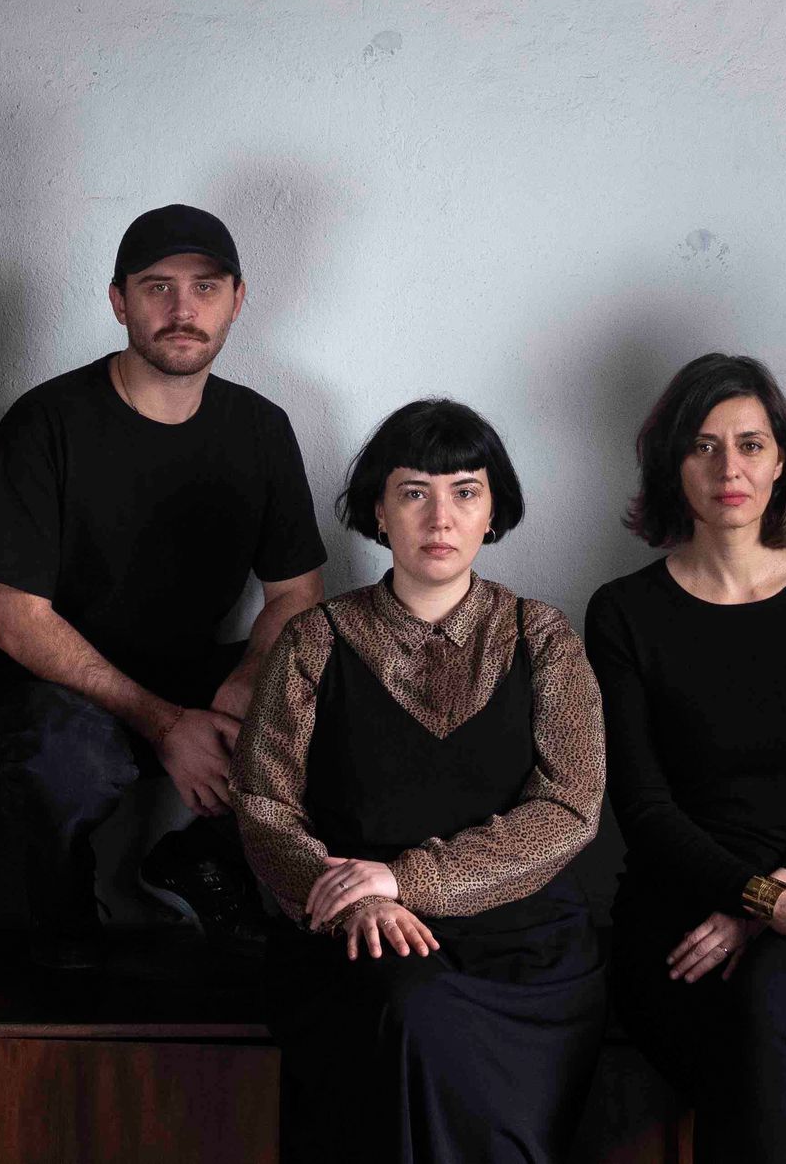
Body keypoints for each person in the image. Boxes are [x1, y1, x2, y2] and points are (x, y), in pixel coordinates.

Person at [231, 398, 607, 1164]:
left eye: (465, 491)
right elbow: (265, 804)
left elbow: (570, 805)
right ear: (379, 509)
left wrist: (406, 880)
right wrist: (355, 899)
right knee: (409, 1006)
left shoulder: (541, 636)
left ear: (492, 510)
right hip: (357, 934)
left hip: (523, 946)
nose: (441, 517)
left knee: (441, 1030)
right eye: (414, 492)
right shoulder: (313, 640)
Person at [0, 203, 326, 969]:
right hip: (62, 683)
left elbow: (296, 593)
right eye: (157, 286)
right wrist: (167, 726)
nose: (182, 308)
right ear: (119, 300)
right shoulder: (45, 423)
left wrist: (245, 682)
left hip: (193, 670)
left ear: (237, 299)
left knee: (333, 686)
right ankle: (58, 925)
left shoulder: (260, 427)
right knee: (60, 756)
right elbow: (17, 620)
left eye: (205, 287)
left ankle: (206, 859)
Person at [584, 353, 786, 1164]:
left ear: (782, 459)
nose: (729, 467)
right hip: (678, 926)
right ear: (673, 465)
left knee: (769, 999)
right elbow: (644, 809)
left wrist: (777, 902)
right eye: (704, 445)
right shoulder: (624, 613)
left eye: (750, 444)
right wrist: (763, 901)